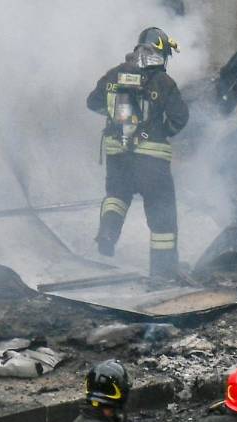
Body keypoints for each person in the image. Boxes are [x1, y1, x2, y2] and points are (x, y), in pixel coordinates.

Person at [87, 27, 190, 282]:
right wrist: (162, 130)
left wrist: (114, 120)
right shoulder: (163, 82)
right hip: (152, 159)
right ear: (159, 52)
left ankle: (108, 233)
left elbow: (93, 102)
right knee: (161, 213)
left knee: (117, 197)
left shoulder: (114, 75)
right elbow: (180, 118)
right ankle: (162, 272)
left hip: (118, 155)